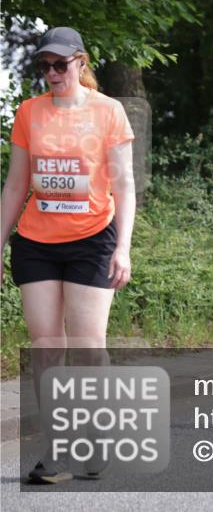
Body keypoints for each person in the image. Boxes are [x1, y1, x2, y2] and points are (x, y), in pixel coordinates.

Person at [0, 27, 136, 483]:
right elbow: (16, 185)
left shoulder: (109, 112)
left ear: (81, 62)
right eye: (45, 66)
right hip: (37, 240)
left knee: (88, 345)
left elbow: (124, 186)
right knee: (45, 346)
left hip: (93, 238)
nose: (52, 74)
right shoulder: (29, 112)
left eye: (61, 65)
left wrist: (123, 246)